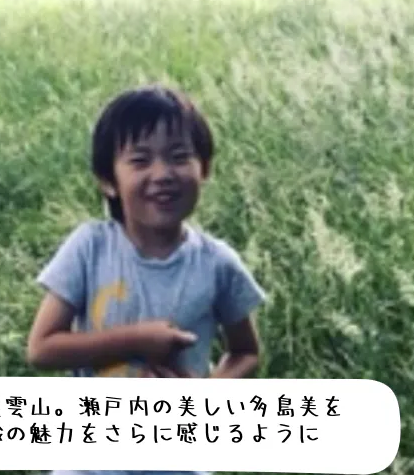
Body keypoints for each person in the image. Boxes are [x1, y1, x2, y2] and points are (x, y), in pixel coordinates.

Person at [26, 85, 266, 474]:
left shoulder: (217, 263)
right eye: (140, 160)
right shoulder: (90, 248)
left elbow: (246, 352)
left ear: (204, 168)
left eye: (179, 157)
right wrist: (136, 340)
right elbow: (42, 348)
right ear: (109, 180)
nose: (163, 174)